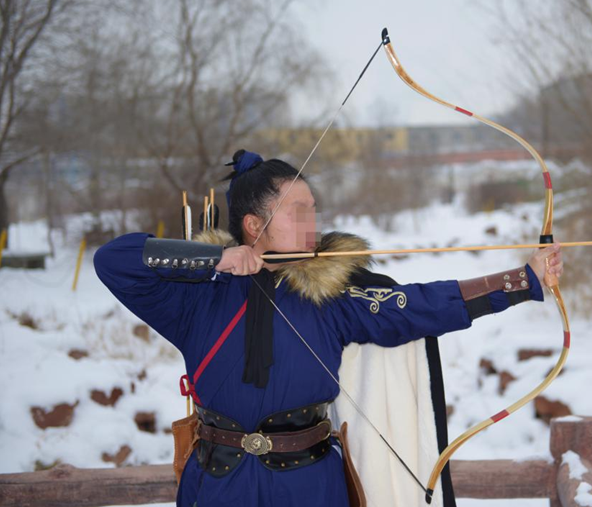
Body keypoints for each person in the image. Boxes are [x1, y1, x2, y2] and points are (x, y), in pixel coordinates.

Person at [93, 150, 563, 507]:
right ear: (254, 226)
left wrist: (523, 279)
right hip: (219, 483)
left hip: (309, 484)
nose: (313, 222)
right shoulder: (193, 298)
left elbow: (418, 305)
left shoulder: (330, 295)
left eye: (313, 208)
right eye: (299, 211)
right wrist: (215, 259)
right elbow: (112, 259)